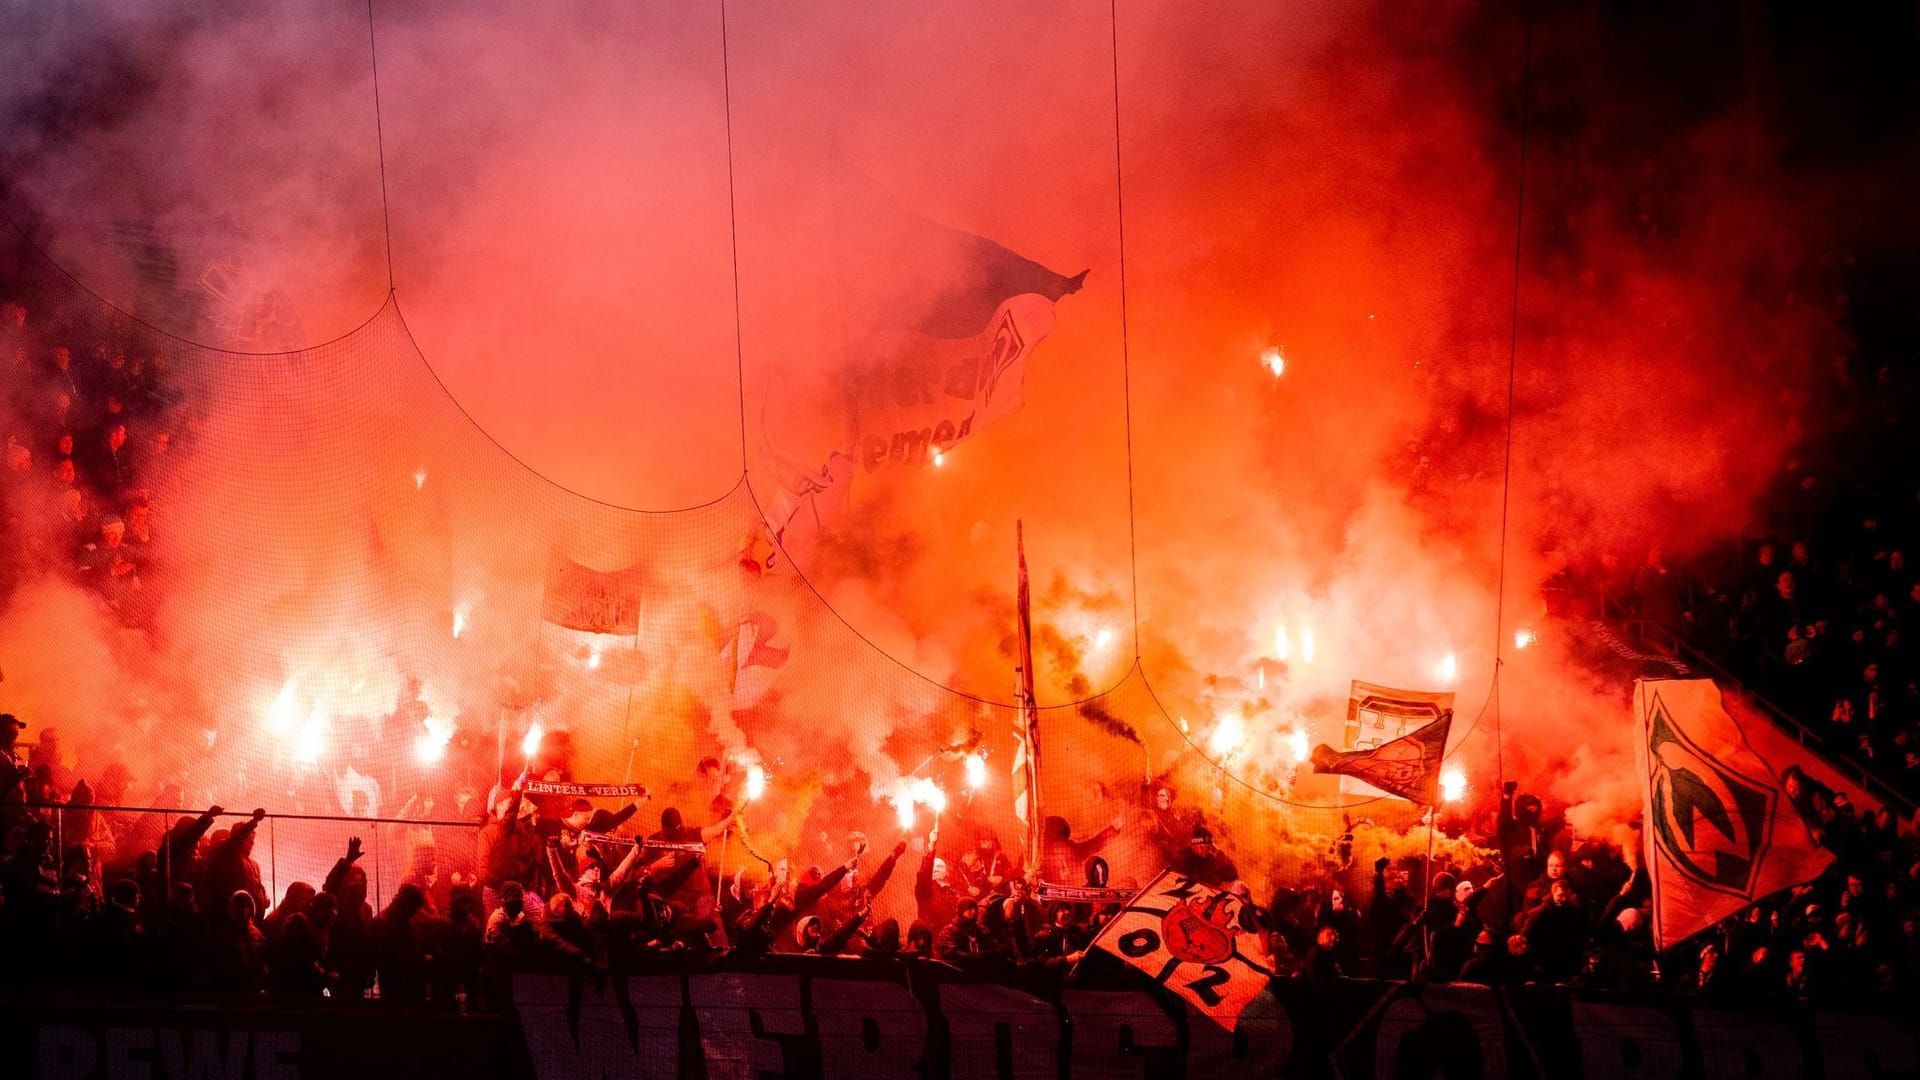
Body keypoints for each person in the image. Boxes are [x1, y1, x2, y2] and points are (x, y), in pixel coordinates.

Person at [1171, 825, 1239, 886]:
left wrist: (1223, 859)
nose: (1205, 850)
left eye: (1208, 847)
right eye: (1202, 847)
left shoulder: (1210, 861)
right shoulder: (1183, 859)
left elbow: (1233, 876)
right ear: (1194, 846)